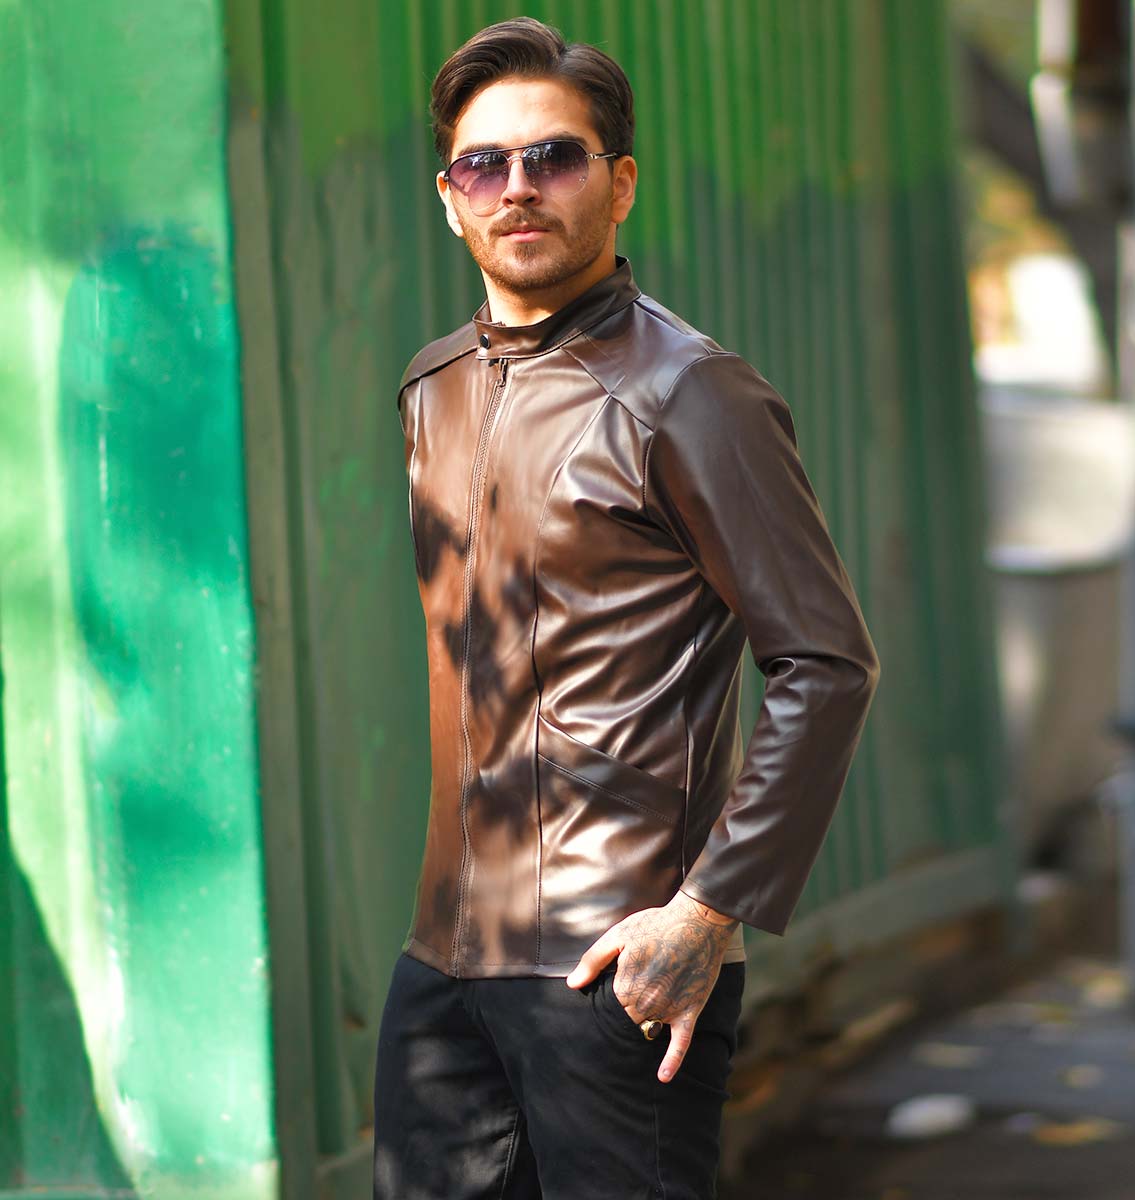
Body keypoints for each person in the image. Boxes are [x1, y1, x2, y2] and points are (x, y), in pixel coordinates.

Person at [374, 17, 880, 1200]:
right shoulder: (433, 387)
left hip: (615, 963)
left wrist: (707, 913)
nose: (517, 188)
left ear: (621, 183)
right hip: (443, 964)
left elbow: (825, 664)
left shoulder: (690, 394)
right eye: (483, 165)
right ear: (450, 200)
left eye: (554, 157)